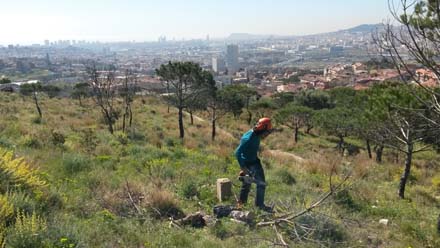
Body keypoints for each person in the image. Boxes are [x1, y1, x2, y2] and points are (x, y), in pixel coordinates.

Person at [235, 117, 273, 212]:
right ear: (262, 129)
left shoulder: (257, 135)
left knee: (261, 184)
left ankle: (259, 205)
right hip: (247, 163)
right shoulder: (248, 138)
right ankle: (241, 205)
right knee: (246, 185)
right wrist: (243, 168)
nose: (266, 135)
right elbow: (237, 152)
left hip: (255, 161)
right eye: (266, 133)